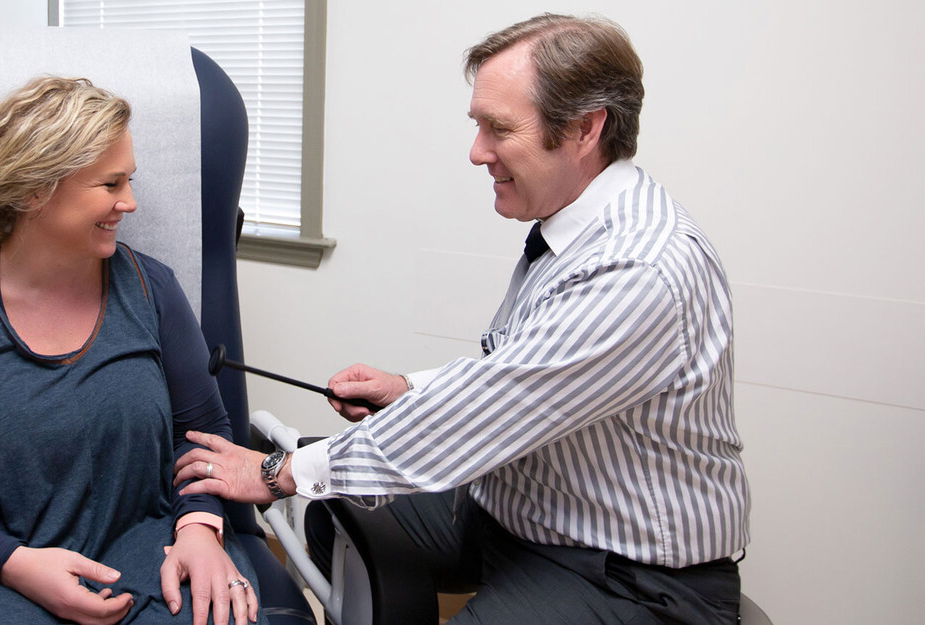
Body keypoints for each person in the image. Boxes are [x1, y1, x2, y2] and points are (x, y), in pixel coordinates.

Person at [173, 14, 750, 624]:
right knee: (332, 515)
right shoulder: (576, 231)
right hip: (523, 510)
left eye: (499, 128)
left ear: (585, 128)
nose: (477, 153)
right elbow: (520, 369)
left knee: (322, 483)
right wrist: (408, 390)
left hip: (624, 573)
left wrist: (278, 472)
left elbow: (490, 410)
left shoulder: (637, 269)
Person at [0, 76, 262, 625]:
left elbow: (203, 438)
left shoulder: (152, 291)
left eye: (129, 180)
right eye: (110, 184)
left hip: (144, 548)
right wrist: (13, 564)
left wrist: (199, 529)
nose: (129, 202)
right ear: (35, 190)